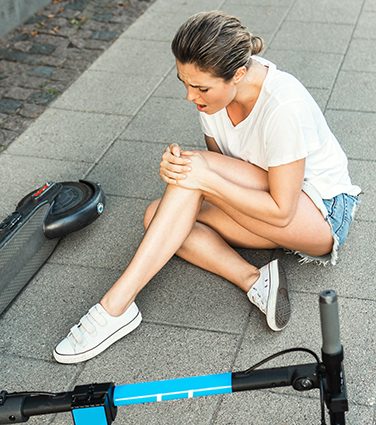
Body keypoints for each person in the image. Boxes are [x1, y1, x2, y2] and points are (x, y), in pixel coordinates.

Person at [53, 11, 361, 364]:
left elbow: (280, 210)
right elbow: (226, 164)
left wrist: (203, 178)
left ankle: (115, 306)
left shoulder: (283, 107)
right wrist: (187, 175)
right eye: (184, 83)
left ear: (239, 75)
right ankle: (253, 278)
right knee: (158, 215)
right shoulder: (215, 92)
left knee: (192, 176)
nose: (190, 96)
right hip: (265, 199)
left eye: (200, 88)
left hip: (318, 212)